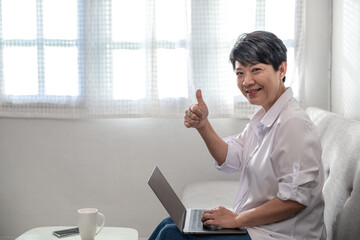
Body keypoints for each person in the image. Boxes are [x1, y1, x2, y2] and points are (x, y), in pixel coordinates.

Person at [149, 31, 326, 240]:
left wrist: (237, 220)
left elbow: (295, 200)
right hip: (257, 226)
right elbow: (232, 157)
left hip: (281, 235)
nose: (247, 81)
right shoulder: (264, 116)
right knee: (170, 224)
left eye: (256, 70)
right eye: (240, 73)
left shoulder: (293, 124)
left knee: (172, 234)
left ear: (282, 69)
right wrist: (203, 126)